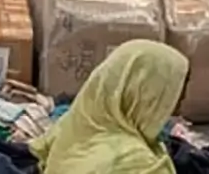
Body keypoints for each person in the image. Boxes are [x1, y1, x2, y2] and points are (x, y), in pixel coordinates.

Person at [30, 39, 189, 174]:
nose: (182, 100)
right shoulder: (134, 161)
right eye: (173, 93)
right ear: (145, 94)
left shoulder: (72, 127)